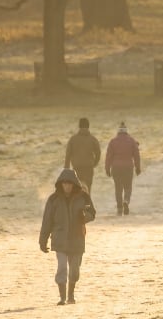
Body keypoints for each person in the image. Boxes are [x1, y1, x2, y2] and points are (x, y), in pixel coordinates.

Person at [39, 168, 96, 305]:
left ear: (74, 184)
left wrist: (84, 217)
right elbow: (47, 220)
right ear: (60, 184)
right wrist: (43, 240)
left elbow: (92, 213)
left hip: (77, 239)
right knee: (62, 267)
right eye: (64, 184)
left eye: (69, 184)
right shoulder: (53, 199)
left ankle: (71, 294)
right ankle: (62, 297)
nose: (67, 186)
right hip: (60, 239)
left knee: (75, 270)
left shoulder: (84, 197)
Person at [105, 121, 141, 216]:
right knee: (128, 187)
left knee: (118, 188)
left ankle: (119, 208)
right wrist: (138, 167)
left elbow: (108, 156)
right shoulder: (131, 141)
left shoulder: (113, 142)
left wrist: (107, 168)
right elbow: (136, 155)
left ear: (118, 132)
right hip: (128, 168)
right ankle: (126, 201)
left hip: (116, 168)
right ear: (126, 131)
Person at [64, 117, 101, 193]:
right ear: (88, 126)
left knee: (76, 190)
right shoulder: (92, 139)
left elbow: (68, 155)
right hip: (88, 168)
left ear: (79, 126)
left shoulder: (73, 139)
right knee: (87, 189)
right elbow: (98, 153)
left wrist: (66, 169)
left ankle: (77, 204)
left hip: (77, 168)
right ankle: (87, 204)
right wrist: (94, 163)